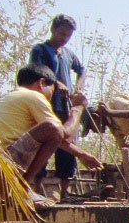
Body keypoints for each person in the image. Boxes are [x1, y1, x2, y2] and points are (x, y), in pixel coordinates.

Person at [0, 63, 101, 203]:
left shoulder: (12, 97)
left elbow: (59, 139)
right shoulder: (33, 96)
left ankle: (17, 187)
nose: (51, 96)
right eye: (52, 90)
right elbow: (63, 134)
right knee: (52, 127)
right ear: (41, 83)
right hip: (0, 164)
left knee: (51, 130)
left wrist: (81, 154)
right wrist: (78, 108)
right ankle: (22, 188)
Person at [29, 14, 86, 200]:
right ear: (53, 29)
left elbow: (82, 70)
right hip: (46, 104)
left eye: (68, 35)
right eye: (62, 33)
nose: (64, 38)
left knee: (67, 144)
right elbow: (36, 72)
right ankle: (37, 187)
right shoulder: (40, 50)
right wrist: (55, 83)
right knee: (45, 144)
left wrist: (77, 87)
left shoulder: (68, 54)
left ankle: (65, 191)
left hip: (65, 105)